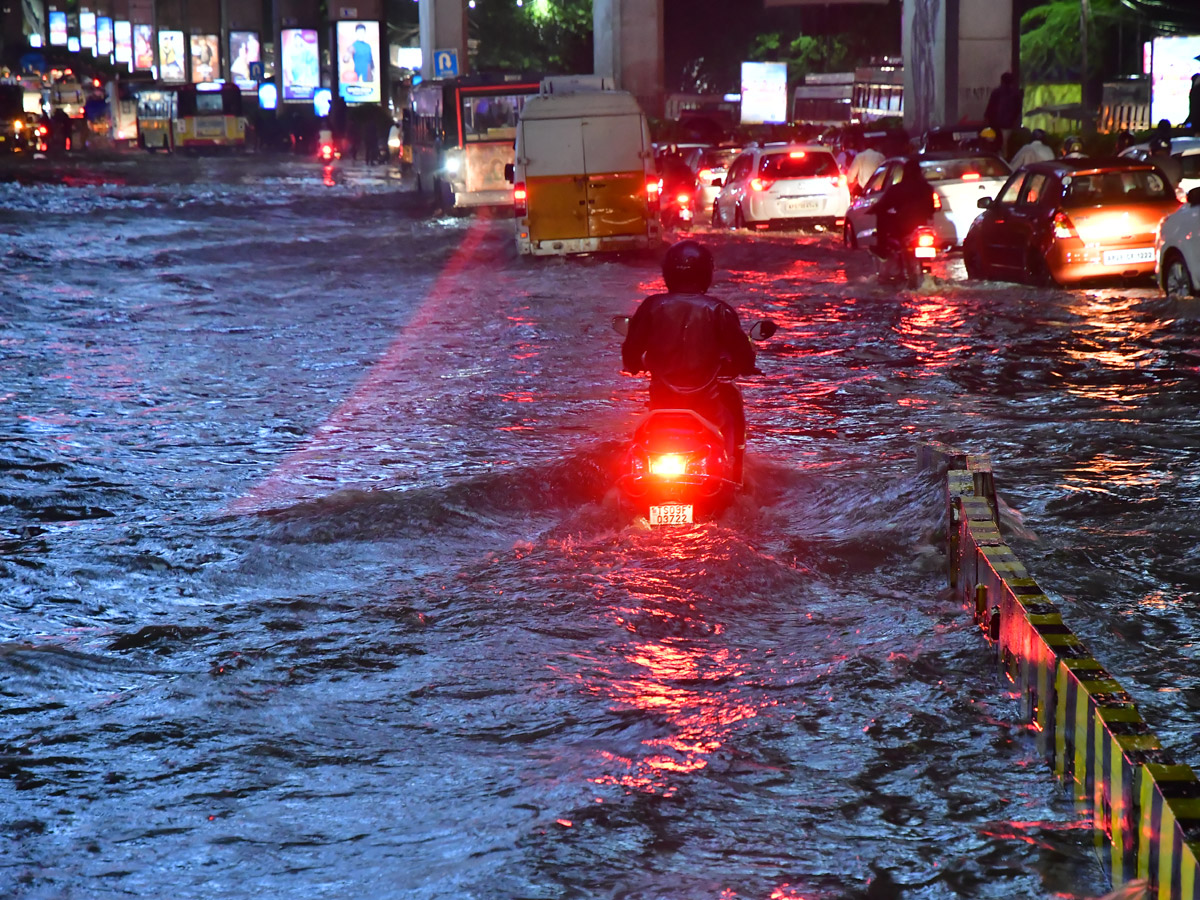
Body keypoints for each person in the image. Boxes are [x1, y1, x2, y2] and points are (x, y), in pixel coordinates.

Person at [621, 240, 757, 480]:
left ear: (668, 273)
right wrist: (745, 366)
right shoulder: (719, 310)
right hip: (708, 409)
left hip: (661, 407)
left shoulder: (651, 306)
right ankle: (736, 476)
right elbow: (743, 356)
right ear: (706, 272)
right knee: (732, 412)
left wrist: (638, 364)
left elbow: (630, 355)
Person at [871, 157, 936, 257]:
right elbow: (932, 208)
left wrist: (875, 209)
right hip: (922, 223)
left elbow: (883, 205)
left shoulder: (898, 188)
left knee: (881, 216)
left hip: (902, 225)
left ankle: (882, 249)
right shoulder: (928, 188)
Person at [984, 72, 1024, 146]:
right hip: (1009, 125)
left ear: (1002, 81)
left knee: (997, 145)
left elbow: (990, 109)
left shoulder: (996, 92)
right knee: (1006, 145)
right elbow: (1018, 110)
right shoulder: (1015, 94)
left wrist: (987, 123)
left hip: (996, 125)